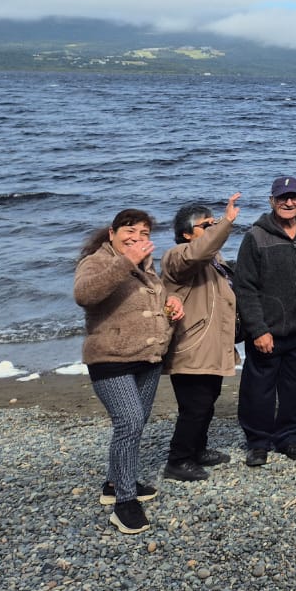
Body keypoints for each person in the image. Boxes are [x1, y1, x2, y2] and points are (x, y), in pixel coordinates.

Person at [74, 209, 184, 534]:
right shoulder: (97, 262)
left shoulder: (148, 269)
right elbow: (85, 294)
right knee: (129, 421)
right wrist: (126, 261)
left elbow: (154, 305)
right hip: (110, 359)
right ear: (112, 233)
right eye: (130, 230)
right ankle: (124, 503)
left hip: (147, 359)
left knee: (134, 425)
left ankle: (114, 483)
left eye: (145, 233)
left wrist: (172, 304)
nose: (138, 237)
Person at [233, 176, 296, 468]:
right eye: (282, 198)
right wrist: (257, 329)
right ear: (272, 201)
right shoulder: (256, 236)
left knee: (295, 387)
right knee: (258, 389)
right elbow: (245, 287)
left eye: (293, 197)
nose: (288, 202)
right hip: (267, 331)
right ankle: (258, 442)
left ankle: (288, 437)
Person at [160, 193, 242, 482]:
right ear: (186, 234)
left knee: (207, 401)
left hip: (212, 345)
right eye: (205, 225)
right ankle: (178, 460)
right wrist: (227, 222)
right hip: (191, 346)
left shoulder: (212, 260)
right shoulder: (177, 256)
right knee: (194, 406)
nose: (211, 228)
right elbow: (197, 253)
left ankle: (198, 449)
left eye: (213, 223)